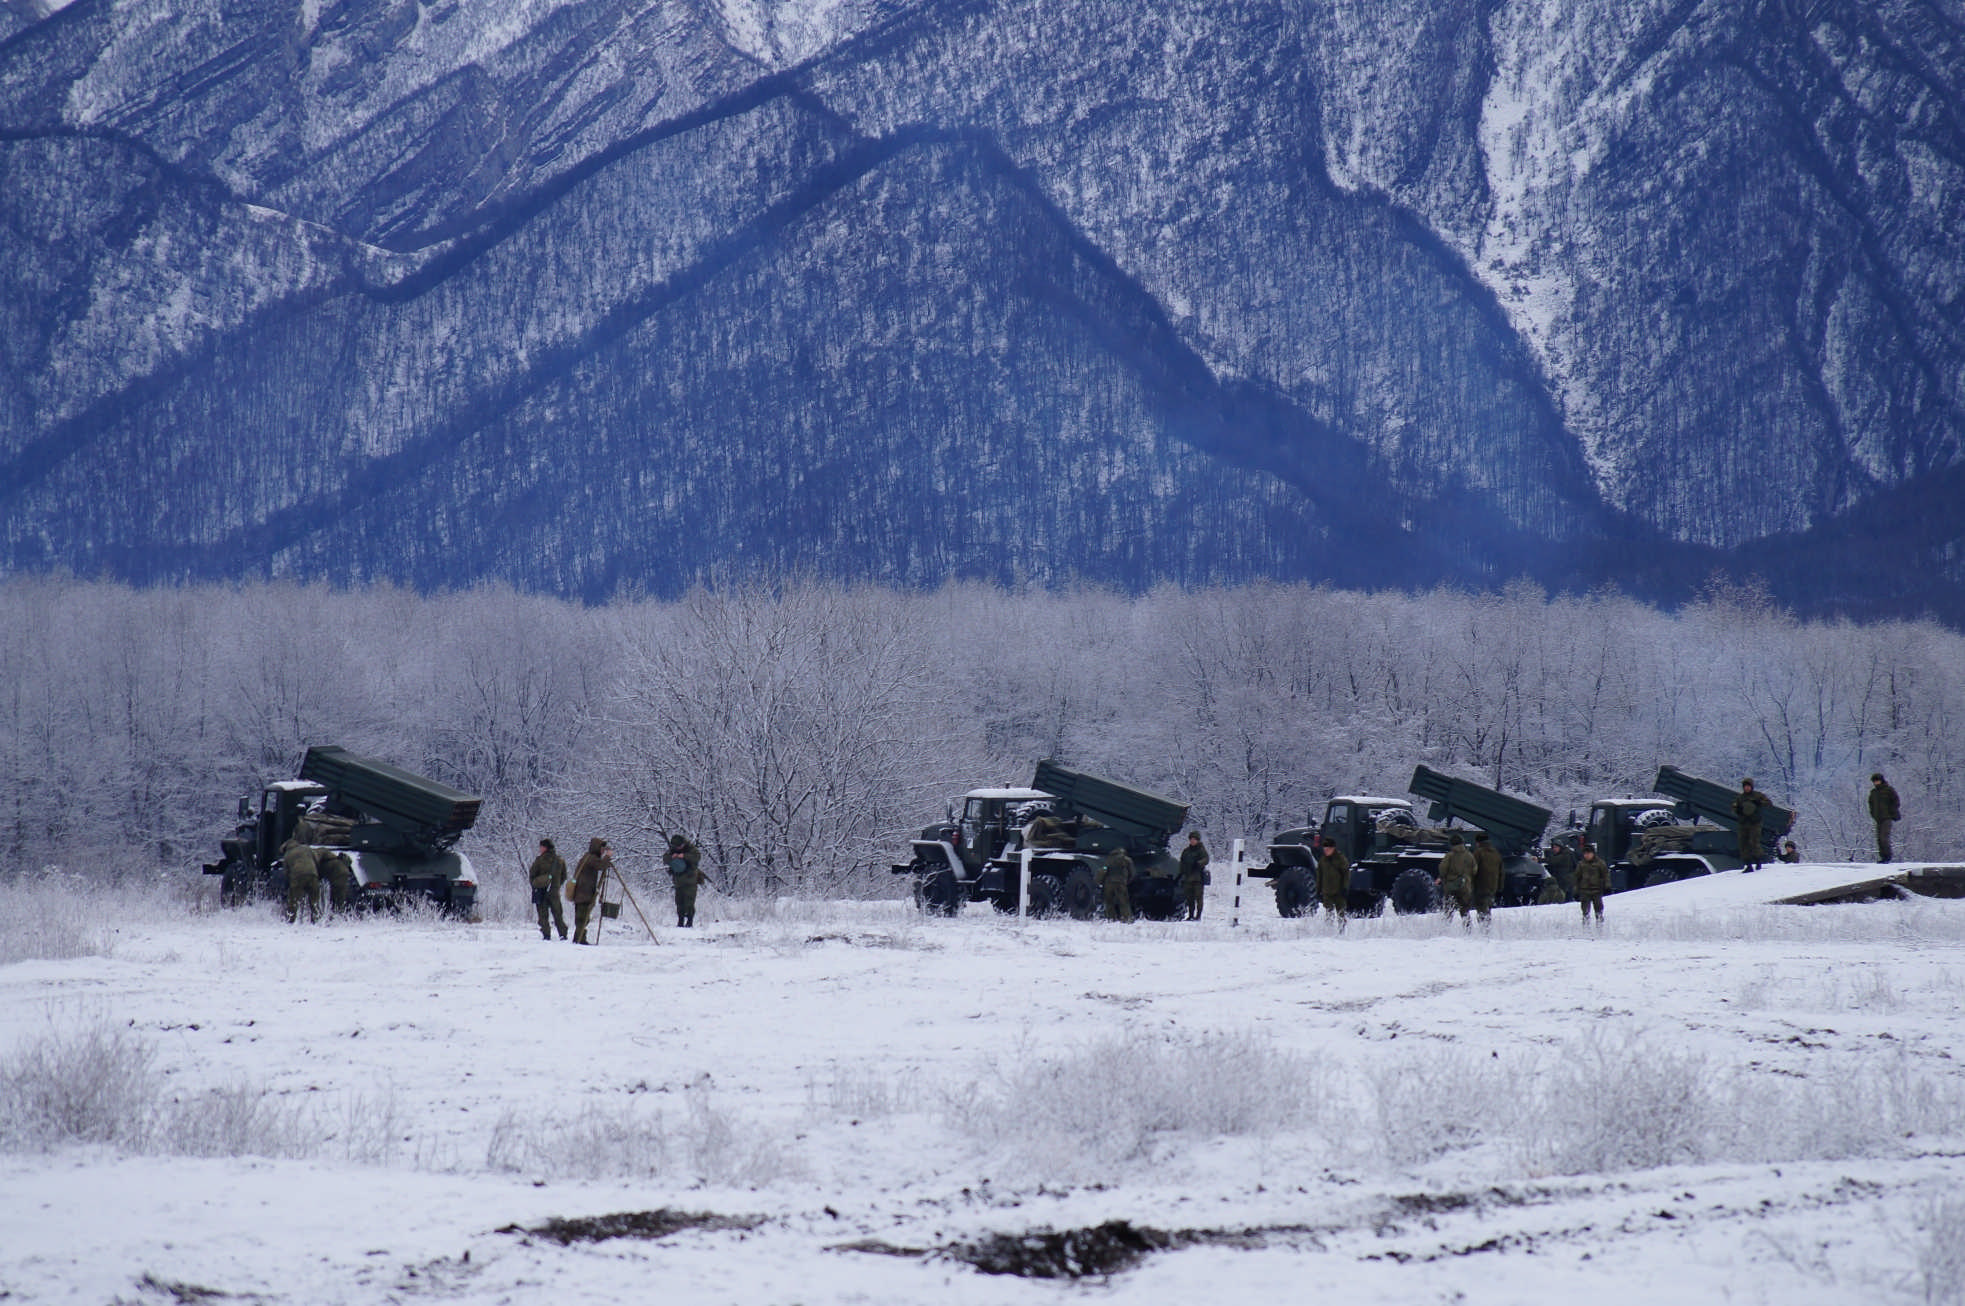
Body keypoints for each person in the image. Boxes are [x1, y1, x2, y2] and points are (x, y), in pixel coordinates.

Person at [570, 837, 609, 944]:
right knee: (582, 918)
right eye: (602, 848)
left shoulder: (587, 857)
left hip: (581, 893)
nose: (603, 851)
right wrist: (608, 857)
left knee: (582, 918)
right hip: (584, 893)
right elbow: (601, 866)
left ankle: (579, 938)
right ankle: (579, 939)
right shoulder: (591, 858)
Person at [529, 838, 568, 940]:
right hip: (554, 892)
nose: (540, 849)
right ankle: (563, 934)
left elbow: (532, 874)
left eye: (541, 847)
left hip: (542, 891)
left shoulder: (540, 860)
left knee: (542, 915)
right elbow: (564, 876)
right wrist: (557, 885)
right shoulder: (559, 860)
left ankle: (546, 934)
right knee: (558, 914)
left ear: (545, 847)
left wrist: (536, 884)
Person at [667, 833, 708, 927]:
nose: (678, 848)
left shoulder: (691, 849)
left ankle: (689, 921)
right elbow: (665, 858)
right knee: (679, 902)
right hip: (678, 881)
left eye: (679, 846)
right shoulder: (672, 850)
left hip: (691, 881)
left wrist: (684, 856)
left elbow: (697, 857)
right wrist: (672, 857)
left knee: (689, 902)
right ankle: (680, 921)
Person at [1732, 778, 1773, 872]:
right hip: (1743, 823)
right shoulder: (1740, 798)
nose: (1747, 788)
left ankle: (1758, 860)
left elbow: (1769, 803)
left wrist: (1759, 803)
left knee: (1754, 842)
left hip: (1755, 823)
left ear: (1751, 787)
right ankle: (1748, 865)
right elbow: (1734, 807)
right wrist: (1737, 810)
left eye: (1748, 786)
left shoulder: (1758, 795)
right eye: (1745, 786)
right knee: (1743, 844)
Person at [1437, 833, 1475, 928]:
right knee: (1465, 909)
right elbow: (1475, 869)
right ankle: (1468, 929)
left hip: (1451, 886)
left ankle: (1445, 929)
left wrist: (1443, 877)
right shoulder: (1469, 855)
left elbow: (1443, 869)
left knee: (1448, 909)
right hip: (1465, 886)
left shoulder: (1450, 855)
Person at [281, 837, 320, 924]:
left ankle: (290, 920)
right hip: (312, 875)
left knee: (293, 901)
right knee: (314, 901)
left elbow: (286, 872)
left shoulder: (287, 855)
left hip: (298, 877)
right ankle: (316, 920)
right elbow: (317, 859)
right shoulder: (306, 848)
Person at [1315, 836, 1349, 929]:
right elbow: (1319, 876)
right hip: (1327, 892)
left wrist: (1345, 888)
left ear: (1333, 848)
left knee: (1341, 914)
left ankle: (1341, 932)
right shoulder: (1322, 860)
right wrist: (1318, 891)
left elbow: (1346, 874)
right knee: (1328, 913)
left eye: (1328, 849)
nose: (1326, 850)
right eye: (1325, 849)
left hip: (1339, 891)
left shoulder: (1340, 859)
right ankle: (1329, 932)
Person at [1471, 831, 1503, 925]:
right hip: (1493, 886)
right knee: (1487, 908)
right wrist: (1499, 887)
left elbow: (1473, 869)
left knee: (1481, 909)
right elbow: (1501, 871)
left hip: (1480, 885)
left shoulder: (1478, 853)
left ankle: (1484, 931)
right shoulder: (1496, 853)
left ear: (1478, 842)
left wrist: (1470, 884)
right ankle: (1487, 928)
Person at [1869, 773, 1901, 863]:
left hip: (1887, 817)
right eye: (1874, 781)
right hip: (1878, 818)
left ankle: (1888, 857)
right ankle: (1883, 857)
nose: (1876, 783)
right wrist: (1873, 814)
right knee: (1879, 838)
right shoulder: (1873, 793)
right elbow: (1871, 804)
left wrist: (1892, 812)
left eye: (1877, 780)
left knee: (1884, 838)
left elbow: (1896, 801)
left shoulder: (1889, 790)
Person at [1574, 843, 1609, 924]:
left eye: (1588, 853)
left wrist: (1607, 886)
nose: (1587, 855)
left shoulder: (1600, 863)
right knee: (1585, 912)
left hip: (1597, 891)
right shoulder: (1581, 864)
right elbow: (1577, 878)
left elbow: (1605, 875)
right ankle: (1586, 928)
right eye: (1585, 853)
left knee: (1599, 911)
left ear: (1593, 853)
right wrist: (1576, 891)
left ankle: (1600, 927)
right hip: (1584, 891)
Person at [1178, 832, 1209, 921]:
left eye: (1194, 839)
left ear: (1198, 840)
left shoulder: (1201, 850)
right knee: (1189, 898)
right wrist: (1181, 873)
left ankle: (1198, 916)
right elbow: (1182, 862)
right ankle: (1190, 915)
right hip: (1188, 878)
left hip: (1197, 878)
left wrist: (1199, 863)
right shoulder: (1186, 851)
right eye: (1191, 839)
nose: (1192, 841)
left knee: (1198, 898)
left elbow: (1206, 859)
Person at [1099, 847, 1134, 923]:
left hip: (1109, 884)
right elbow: (1132, 873)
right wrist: (1127, 881)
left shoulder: (1109, 859)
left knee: (1109, 902)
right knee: (1123, 902)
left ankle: (1111, 919)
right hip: (1121, 883)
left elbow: (1104, 870)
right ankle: (1126, 919)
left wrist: (1099, 881)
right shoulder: (1127, 860)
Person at [321, 849, 354, 914]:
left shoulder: (325, 861)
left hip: (339, 878)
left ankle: (336, 915)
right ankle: (338, 914)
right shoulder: (339, 861)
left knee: (337, 899)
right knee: (339, 899)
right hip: (343, 875)